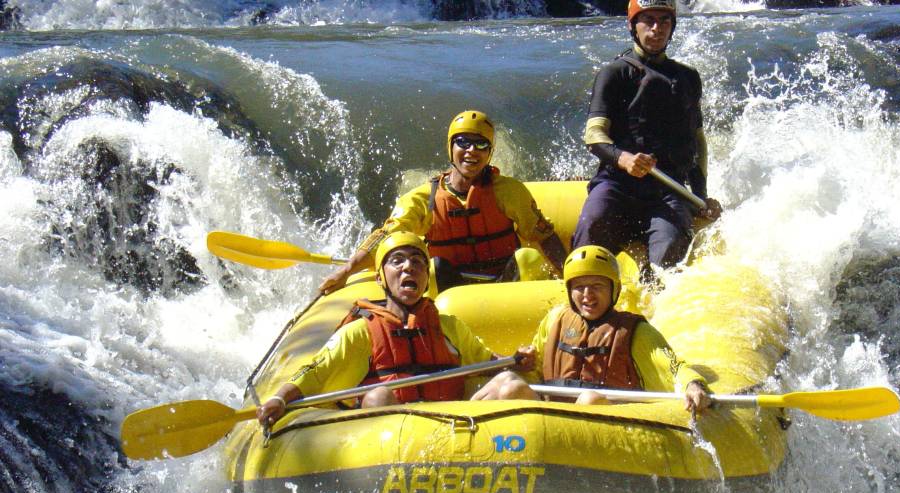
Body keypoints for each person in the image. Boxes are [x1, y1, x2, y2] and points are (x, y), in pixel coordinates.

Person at [258, 232, 525, 427]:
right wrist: (280, 399)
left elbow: (489, 365)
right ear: (380, 278)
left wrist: (517, 360)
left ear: (426, 277)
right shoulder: (360, 332)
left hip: (455, 426)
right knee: (378, 396)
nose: (409, 267)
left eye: (417, 262)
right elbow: (314, 373)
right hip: (390, 442)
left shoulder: (449, 327)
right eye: (397, 261)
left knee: (510, 383)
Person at [319, 110, 567, 295]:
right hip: (449, 292)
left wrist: (571, 278)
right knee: (433, 267)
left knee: (528, 259)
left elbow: (543, 235)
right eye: (463, 142)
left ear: (489, 153)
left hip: (503, 288)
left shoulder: (509, 191)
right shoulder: (423, 199)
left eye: (481, 144)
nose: (471, 151)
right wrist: (346, 270)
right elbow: (386, 239)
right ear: (451, 147)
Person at [571, 0, 722, 272]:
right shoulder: (614, 73)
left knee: (667, 258)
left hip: (668, 188)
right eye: (648, 20)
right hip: (617, 183)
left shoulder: (687, 77)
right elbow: (594, 135)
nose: (656, 28)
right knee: (592, 225)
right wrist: (623, 158)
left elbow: (697, 141)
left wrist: (700, 196)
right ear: (633, 26)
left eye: (664, 21)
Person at [474, 245, 711, 412]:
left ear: (614, 290)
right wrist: (523, 363)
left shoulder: (636, 333)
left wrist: (694, 384)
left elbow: (674, 368)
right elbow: (535, 371)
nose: (587, 296)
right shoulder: (555, 320)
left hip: (607, 428)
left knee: (589, 400)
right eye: (579, 287)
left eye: (597, 286)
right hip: (553, 422)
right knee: (507, 381)